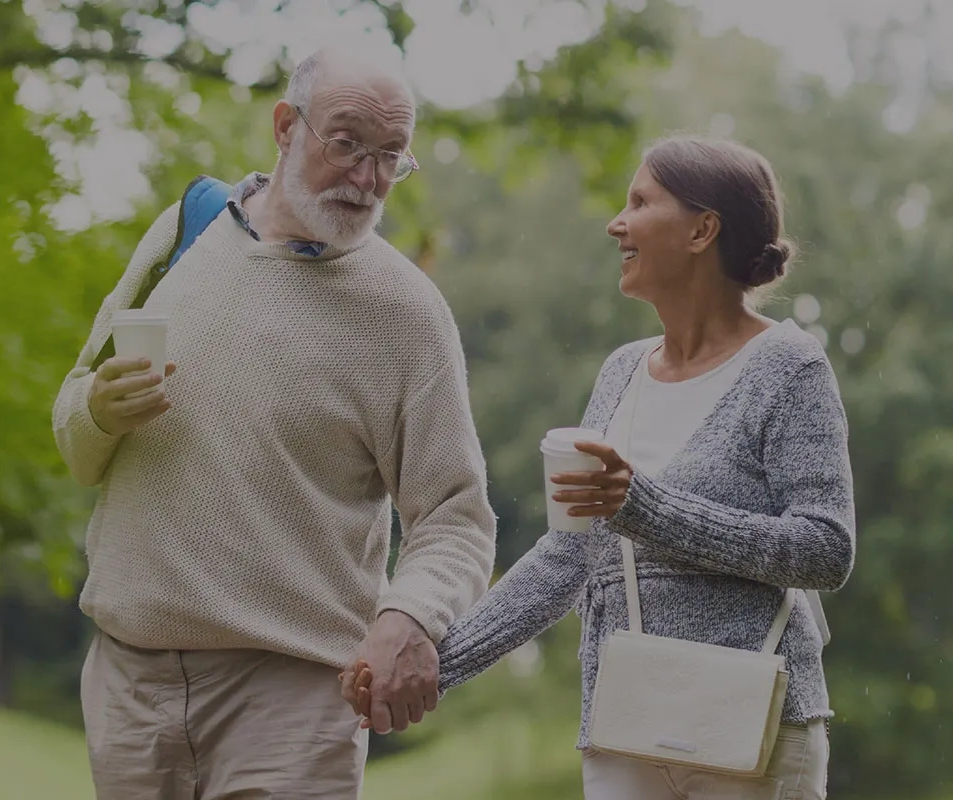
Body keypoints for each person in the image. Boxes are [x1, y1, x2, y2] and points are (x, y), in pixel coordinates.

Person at [342, 135, 855, 799]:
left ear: (703, 229)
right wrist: (431, 665)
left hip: (755, 729)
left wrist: (646, 508)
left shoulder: (790, 368)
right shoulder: (620, 374)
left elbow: (825, 549)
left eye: (640, 202)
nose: (617, 222)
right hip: (626, 727)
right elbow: (566, 561)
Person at [51, 44, 498, 800]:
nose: (367, 179)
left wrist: (412, 614)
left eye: (391, 156)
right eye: (347, 142)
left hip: (292, 701)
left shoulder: (407, 313)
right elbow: (72, 425)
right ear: (285, 126)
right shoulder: (184, 231)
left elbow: (457, 518)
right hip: (128, 684)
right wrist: (96, 411)